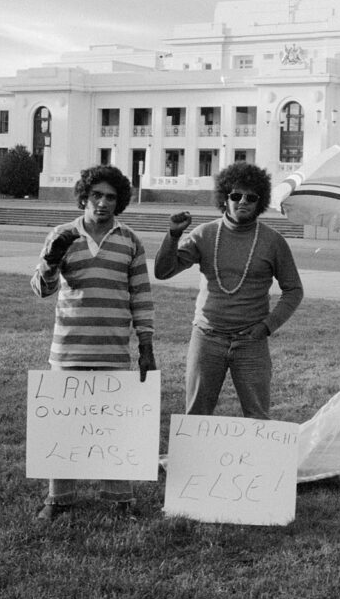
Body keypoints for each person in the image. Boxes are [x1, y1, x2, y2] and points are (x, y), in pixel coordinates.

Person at [30, 165, 156, 521]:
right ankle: (59, 500)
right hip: (68, 348)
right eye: (96, 196)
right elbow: (42, 290)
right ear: (84, 197)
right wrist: (51, 261)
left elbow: (141, 296)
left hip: (114, 350)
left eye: (111, 197)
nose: (102, 203)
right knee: (63, 426)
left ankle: (119, 500)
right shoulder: (61, 234)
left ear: (120, 202)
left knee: (114, 427)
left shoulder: (130, 240)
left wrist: (146, 345)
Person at [154, 163, 303, 420]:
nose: (242, 201)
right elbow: (163, 271)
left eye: (251, 197)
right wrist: (173, 235)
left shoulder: (273, 241)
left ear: (260, 202)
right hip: (207, 337)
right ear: (225, 199)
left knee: (257, 416)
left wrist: (267, 326)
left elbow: (293, 289)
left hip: (251, 342)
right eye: (235, 195)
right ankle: (194, 461)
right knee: (196, 415)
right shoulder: (204, 234)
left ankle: (257, 461)